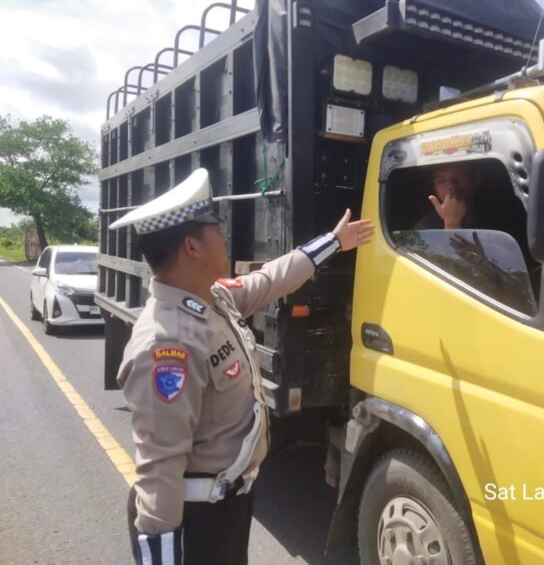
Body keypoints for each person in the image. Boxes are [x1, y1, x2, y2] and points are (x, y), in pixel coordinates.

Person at [109, 168, 374, 565]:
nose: (225, 237)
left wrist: (335, 241)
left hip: (228, 507)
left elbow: (272, 280)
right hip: (197, 521)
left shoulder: (212, 298)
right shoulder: (167, 344)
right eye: (216, 230)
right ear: (192, 247)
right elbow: (159, 474)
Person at [414, 163, 483, 230]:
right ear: (435, 189)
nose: (451, 185)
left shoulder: (488, 212)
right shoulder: (426, 226)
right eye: (441, 180)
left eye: (458, 176)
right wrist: (451, 223)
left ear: (476, 178)